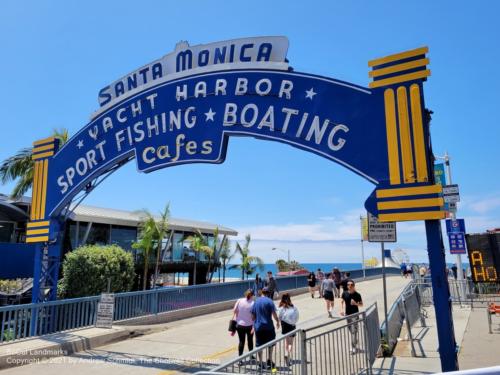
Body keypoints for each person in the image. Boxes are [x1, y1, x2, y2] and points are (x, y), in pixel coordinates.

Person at [251, 287, 280, 370]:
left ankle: (260, 362)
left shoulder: (256, 301)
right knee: (271, 344)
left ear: (262, 292)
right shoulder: (270, 301)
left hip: (258, 327)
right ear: (268, 293)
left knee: (259, 345)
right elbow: (274, 314)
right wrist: (277, 321)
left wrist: (254, 325)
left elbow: (253, 316)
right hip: (269, 327)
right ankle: (269, 360)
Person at [341, 280, 363, 354]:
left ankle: (353, 347)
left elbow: (361, 304)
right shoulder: (344, 293)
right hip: (347, 315)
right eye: (348, 285)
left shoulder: (357, 295)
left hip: (355, 315)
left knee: (353, 331)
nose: (349, 286)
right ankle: (355, 339)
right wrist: (341, 310)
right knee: (351, 329)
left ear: (354, 285)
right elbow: (342, 301)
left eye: (351, 285)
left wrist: (355, 303)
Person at [232, 289, 255, 359]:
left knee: (241, 341)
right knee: (250, 341)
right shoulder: (253, 303)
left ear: (245, 294)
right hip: (250, 325)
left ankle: (240, 358)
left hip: (240, 325)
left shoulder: (239, 300)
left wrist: (239, 314)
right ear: (252, 295)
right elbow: (254, 315)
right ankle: (251, 355)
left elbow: (234, 310)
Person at [278, 293, 299, 366]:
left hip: (284, 325)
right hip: (291, 325)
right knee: (290, 343)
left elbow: (279, 317)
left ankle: (287, 354)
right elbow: (297, 317)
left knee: (287, 342)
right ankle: (287, 355)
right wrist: (293, 322)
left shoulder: (281, 307)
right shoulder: (293, 307)